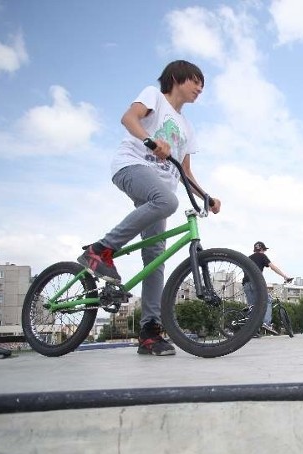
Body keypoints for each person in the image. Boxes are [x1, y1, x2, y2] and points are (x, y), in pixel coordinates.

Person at [77, 60, 221, 356]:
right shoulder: (155, 96)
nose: (200, 89)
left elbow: (185, 171)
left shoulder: (188, 127)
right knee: (168, 202)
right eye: (196, 81)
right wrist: (150, 141)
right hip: (132, 167)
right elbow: (128, 118)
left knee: (156, 257)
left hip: (160, 190)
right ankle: (100, 249)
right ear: (177, 78)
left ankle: (149, 331)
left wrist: (206, 196)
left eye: (203, 85)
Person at [244, 241, 292, 334]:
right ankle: (266, 323)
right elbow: (273, 267)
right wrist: (285, 276)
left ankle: (252, 331)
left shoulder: (249, 258)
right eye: (264, 250)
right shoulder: (262, 256)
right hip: (256, 282)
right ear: (261, 249)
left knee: (252, 307)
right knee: (268, 300)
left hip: (246, 284)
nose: (264, 252)